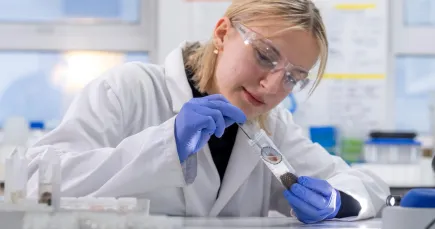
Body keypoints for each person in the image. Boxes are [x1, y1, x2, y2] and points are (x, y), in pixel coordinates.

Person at [25, 0, 390, 223]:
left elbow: (368, 188)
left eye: (293, 78)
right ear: (221, 34)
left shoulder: (272, 126)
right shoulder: (131, 89)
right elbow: (39, 182)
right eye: (264, 56)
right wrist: (166, 144)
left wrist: (338, 202)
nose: (272, 87)